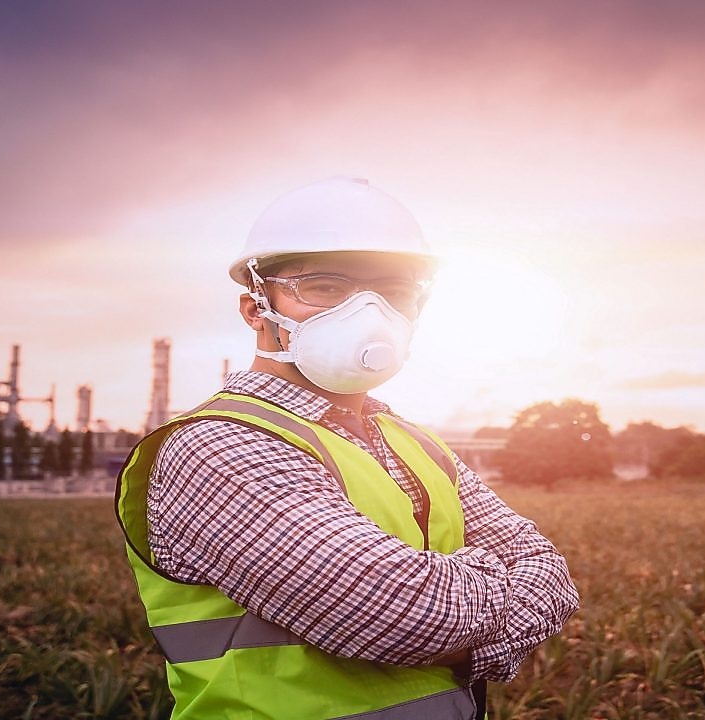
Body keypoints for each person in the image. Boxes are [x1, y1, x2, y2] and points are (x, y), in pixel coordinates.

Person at [116, 176, 580, 719]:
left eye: (394, 292)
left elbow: (550, 572)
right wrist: (492, 591)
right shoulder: (218, 446)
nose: (368, 312)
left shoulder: (418, 443)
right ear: (254, 308)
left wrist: (459, 597)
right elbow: (403, 617)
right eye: (325, 287)